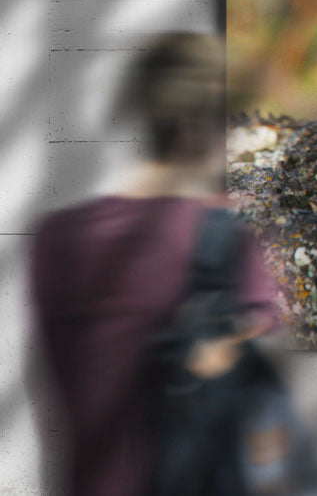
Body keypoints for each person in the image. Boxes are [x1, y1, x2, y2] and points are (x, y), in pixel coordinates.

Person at [30, 33, 277, 496]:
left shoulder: (56, 239)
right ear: (202, 125)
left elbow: (55, 408)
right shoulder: (224, 241)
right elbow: (271, 419)